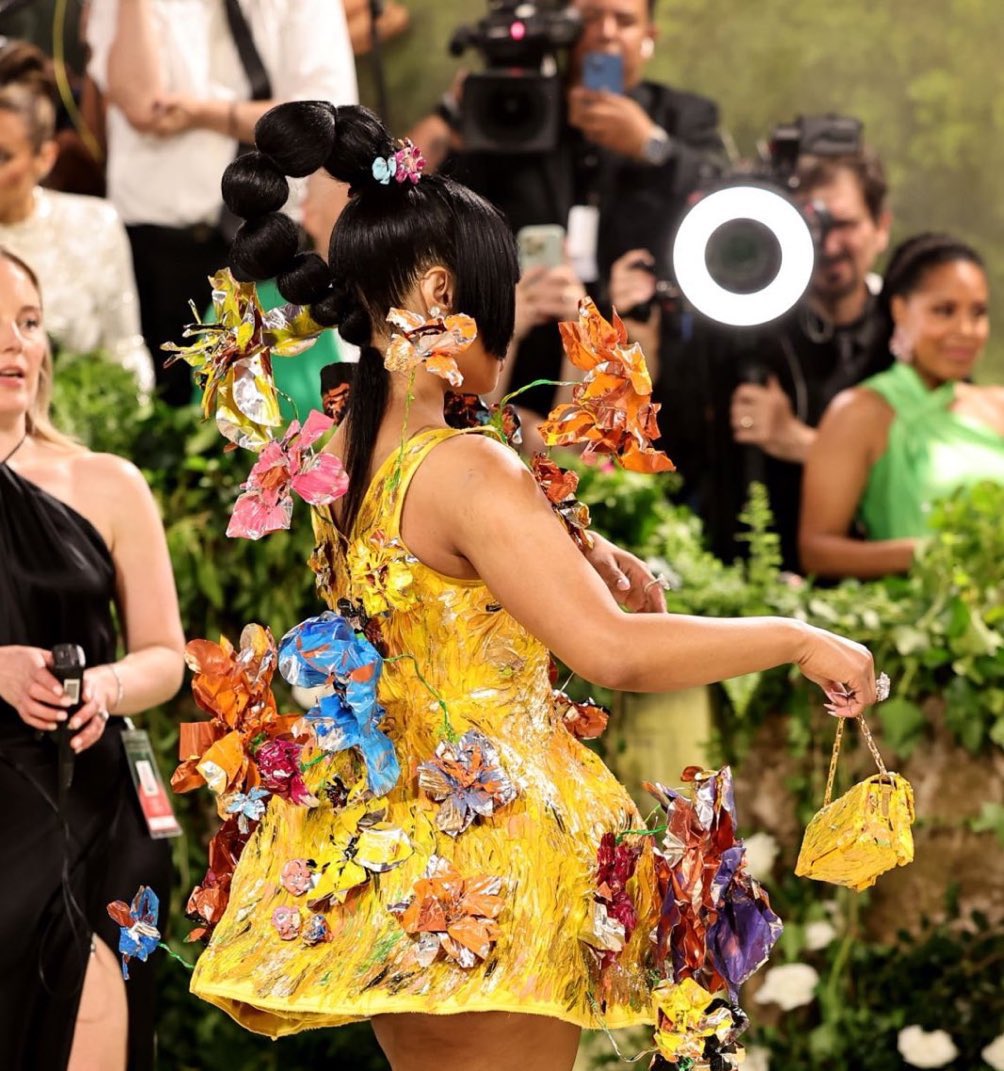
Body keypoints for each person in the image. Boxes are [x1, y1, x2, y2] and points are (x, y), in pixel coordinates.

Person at [184, 101, 876, 1071]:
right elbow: (614, 651)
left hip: (386, 847)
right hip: (492, 858)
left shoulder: (332, 448)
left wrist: (567, 547)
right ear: (436, 290)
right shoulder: (467, 469)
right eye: (498, 315)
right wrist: (795, 637)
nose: (504, 353)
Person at [0, 248, 185, 1069]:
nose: (14, 343)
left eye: (29, 323)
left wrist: (105, 685)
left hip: (95, 798)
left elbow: (165, 657)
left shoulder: (109, 483)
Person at [412, 0, 724, 424]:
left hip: (641, 358)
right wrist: (458, 107)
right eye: (592, 17)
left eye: (625, 20)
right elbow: (409, 190)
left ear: (650, 37)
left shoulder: (682, 116)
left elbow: (728, 193)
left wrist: (652, 145)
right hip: (519, 354)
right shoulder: (516, 107)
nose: (607, 32)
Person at [633, 142, 894, 572]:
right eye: (812, 223)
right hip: (735, 571)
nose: (827, 244)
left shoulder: (901, 335)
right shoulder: (735, 319)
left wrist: (798, 442)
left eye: (843, 224)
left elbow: (924, 467)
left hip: (860, 577)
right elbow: (671, 445)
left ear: (881, 226)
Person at [84, 0, 358, 404]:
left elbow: (321, 120)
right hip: (157, 249)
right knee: (166, 420)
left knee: (273, 425)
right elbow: (140, 102)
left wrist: (205, 114)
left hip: (269, 249)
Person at [800, 233, 1004, 579]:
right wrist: (925, 553)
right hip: (926, 619)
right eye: (944, 311)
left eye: (978, 312)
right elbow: (817, 550)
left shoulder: (997, 405)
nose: (966, 330)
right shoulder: (861, 412)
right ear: (899, 309)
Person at [0, 39, 153, 394]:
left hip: (80, 437)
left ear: (46, 157)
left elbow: (125, 353)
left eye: (3, 157)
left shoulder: (95, 226)